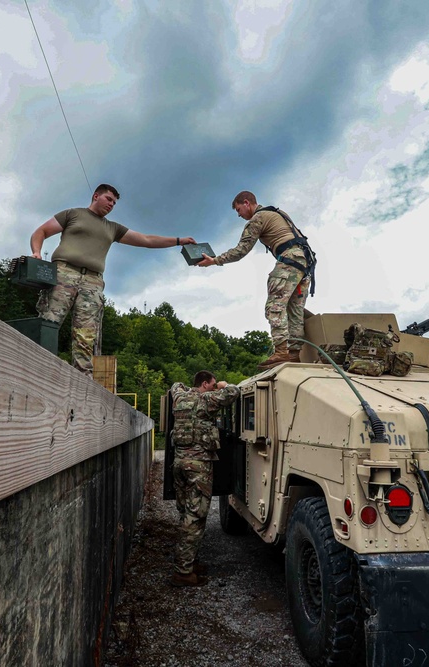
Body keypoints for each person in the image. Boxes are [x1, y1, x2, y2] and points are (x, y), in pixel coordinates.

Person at [30, 184, 195, 374]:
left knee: (86, 336)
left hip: (93, 281)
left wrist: (178, 241)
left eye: (114, 203)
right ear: (95, 196)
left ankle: (83, 381)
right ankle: (37, 367)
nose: (111, 205)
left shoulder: (112, 228)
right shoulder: (73, 214)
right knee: (48, 323)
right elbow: (40, 232)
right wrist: (36, 252)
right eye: (109, 199)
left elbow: (146, 240)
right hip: (64, 272)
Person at [196, 190, 316, 369]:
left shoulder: (257, 219)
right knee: (294, 311)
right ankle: (293, 354)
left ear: (247, 202)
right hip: (305, 264)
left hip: (290, 259)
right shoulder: (277, 213)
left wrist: (214, 261)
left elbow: (241, 250)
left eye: (238, 209)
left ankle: (282, 351)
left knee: (274, 306)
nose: (238, 214)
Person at [169, 370, 241, 587]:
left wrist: (190, 387)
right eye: (210, 384)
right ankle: (183, 572)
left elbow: (175, 384)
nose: (212, 387)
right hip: (198, 466)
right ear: (205, 384)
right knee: (196, 517)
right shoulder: (206, 400)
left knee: (186, 514)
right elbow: (234, 391)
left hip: (179, 464)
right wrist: (222, 384)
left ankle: (189, 563)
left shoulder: (180, 397)